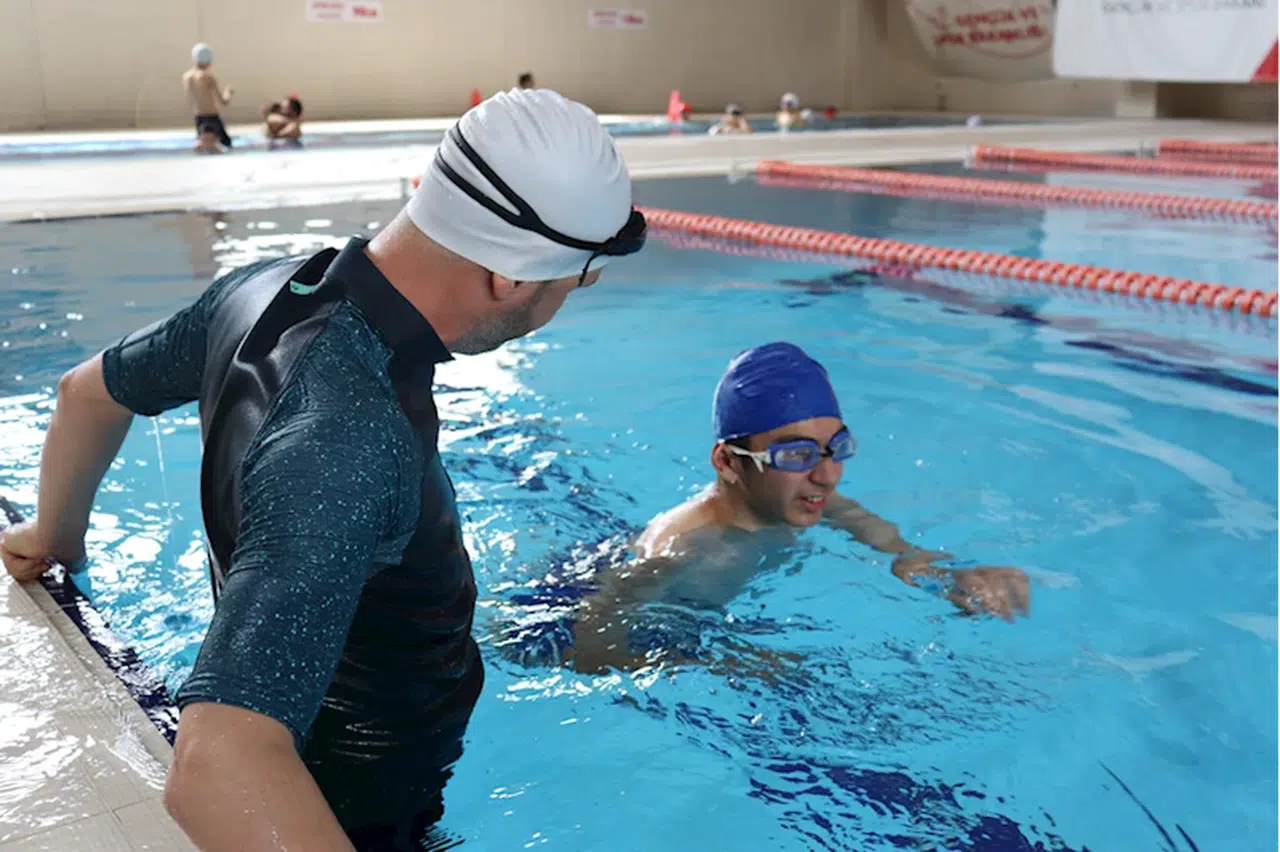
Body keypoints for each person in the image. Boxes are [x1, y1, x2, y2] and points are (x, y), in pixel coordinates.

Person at [0, 88, 646, 851]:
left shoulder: (270, 287)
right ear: (508, 278)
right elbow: (219, 769)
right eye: (580, 279)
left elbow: (86, 394)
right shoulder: (352, 434)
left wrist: (54, 535)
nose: (574, 296)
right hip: (345, 805)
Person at [567, 342, 1030, 673]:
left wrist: (938, 572)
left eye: (836, 449)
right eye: (795, 456)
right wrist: (725, 664)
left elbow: (861, 523)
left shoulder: (804, 497)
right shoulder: (685, 546)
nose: (826, 476)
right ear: (728, 462)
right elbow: (586, 648)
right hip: (573, 607)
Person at [183, 43, 233, 153]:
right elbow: (223, 101)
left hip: (199, 117)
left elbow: (190, 100)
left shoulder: (187, 77)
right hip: (212, 116)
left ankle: (203, 141)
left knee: (206, 145)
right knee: (227, 145)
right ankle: (205, 142)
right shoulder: (208, 77)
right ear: (209, 59)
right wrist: (228, 93)